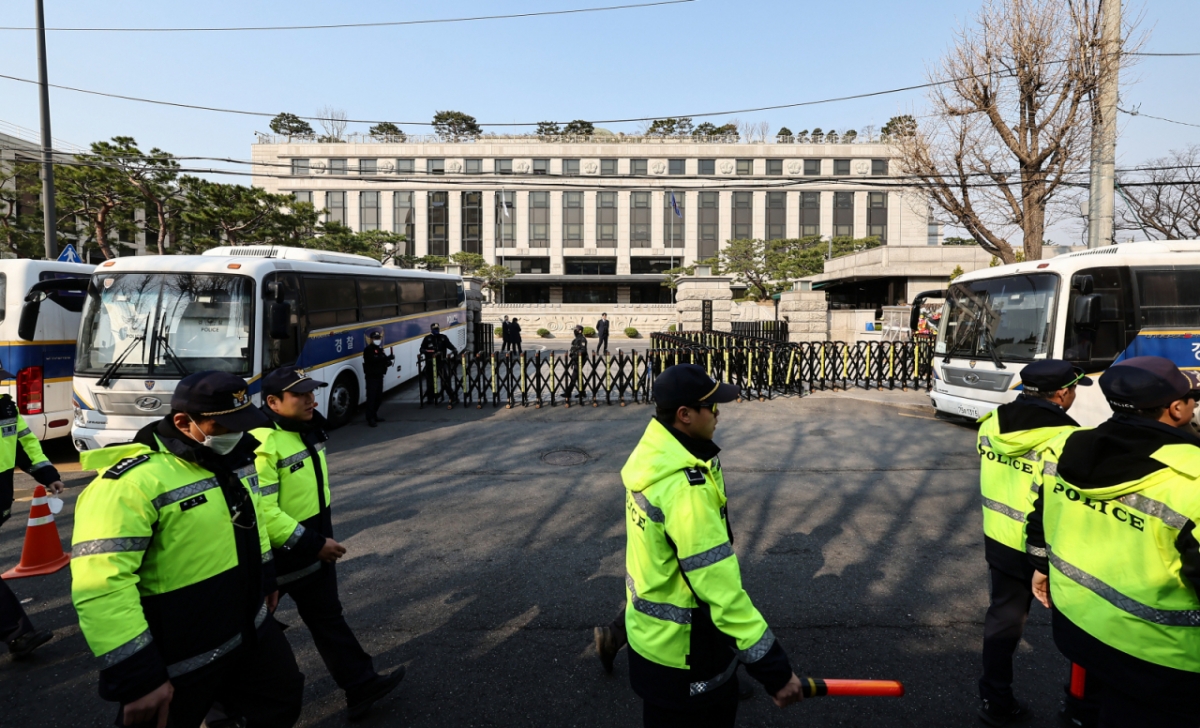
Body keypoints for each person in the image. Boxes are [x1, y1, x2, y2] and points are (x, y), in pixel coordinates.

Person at [71, 371, 303, 728]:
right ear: (183, 422)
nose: (238, 435)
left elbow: (251, 519)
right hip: (181, 659)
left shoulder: (236, 457)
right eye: (225, 427)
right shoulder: (129, 484)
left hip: (249, 629)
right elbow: (101, 586)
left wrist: (266, 576)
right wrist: (137, 677)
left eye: (244, 424)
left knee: (282, 699)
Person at [620, 363, 803, 727]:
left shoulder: (655, 453)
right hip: (683, 654)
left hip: (648, 639)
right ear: (685, 415)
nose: (719, 414)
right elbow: (719, 589)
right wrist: (775, 671)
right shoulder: (685, 490)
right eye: (712, 407)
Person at [1026, 357, 1200, 727]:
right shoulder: (1191, 476)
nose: (1194, 405)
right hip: (1159, 658)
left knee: (1089, 706)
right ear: (1176, 408)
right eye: (1192, 399)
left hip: (1079, 626)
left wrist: (1041, 568)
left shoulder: (1066, 445)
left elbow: (1040, 515)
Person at [253, 366, 405, 721]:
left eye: (311, 392)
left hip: (313, 548)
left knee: (328, 619)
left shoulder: (306, 427)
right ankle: (222, 709)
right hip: (277, 558)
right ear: (273, 402)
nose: (311, 399)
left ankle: (361, 684)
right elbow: (264, 511)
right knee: (253, 638)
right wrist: (313, 543)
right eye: (300, 395)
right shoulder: (263, 442)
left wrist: (318, 543)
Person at [974, 360, 1092, 727]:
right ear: (1061, 394)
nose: (1073, 396)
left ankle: (996, 700)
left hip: (999, 540)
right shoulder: (1067, 437)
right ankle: (1079, 709)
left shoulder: (994, 421)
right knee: (1085, 630)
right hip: (1049, 548)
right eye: (1074, 389)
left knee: (1003, 621)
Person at [1, 360, 66, 660]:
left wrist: (48, 475)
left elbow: (23, 444)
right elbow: (23, 445)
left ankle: (18, 634)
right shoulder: (5, 409)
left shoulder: (5, 410)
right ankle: (18, 634)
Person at [420, 323, 459, 407]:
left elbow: (449, 345)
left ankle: (452, 396)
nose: (436, 330)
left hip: (441, 362)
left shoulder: (443, 338)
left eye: (437, 329)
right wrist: (428, 351)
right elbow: (421, 349)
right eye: (434, 329)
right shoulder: (427, 338)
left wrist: (454, 349)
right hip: (430, 363)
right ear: (431, 329)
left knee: (446, 380)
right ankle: (430, 398)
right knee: (430, 381)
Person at [362, 329, 395, 428]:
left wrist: (388, 362)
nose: (377, 340)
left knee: (379, 398)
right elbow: (373, 360)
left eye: (378, 338)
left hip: (379, 376)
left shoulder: (380, 350)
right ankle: (370, 418)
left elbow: (383, 360)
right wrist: (386, 358)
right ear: (371, 339)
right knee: (371, 398)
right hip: (371, 377)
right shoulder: (368, 350)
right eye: (375, 338)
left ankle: (374, 415)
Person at [562, 325, 589, 407]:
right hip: (575, 360)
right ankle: (582, 392)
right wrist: (572, 355)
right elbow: (574, 349)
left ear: (580, 331)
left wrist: (576, 355)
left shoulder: (582, 339)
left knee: (574, 376)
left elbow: (583, 350)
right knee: (578, 376)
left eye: (576, 330)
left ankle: (568, 393)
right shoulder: (575, 340)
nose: (574, 331)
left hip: (580, 360)